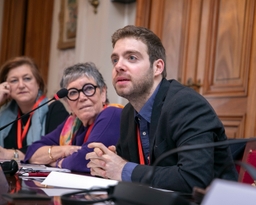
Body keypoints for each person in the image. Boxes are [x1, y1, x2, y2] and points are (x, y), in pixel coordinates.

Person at [86, 25, 238, 193]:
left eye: (132, 58)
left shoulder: (187, 104)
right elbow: (130, 166)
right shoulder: (129, 111)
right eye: (115, 60)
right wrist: (106, 163)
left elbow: (194, 179)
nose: (118, 66)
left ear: (157, 67)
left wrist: (123, 169)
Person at [24, 62, 122, 172]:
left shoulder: (113, 114)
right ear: (68, 103)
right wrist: (65, 150)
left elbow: (84, 159)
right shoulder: (72, 124)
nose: (82, 97)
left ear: (103, 93)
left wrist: (57, 162)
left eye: (88, 88)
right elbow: (32, 152)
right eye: (73, 92)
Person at [0, 56, 69, 161]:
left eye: (27, 78)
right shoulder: (3, 113)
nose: (21, 85)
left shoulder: (55, 109)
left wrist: (11, 154)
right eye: (14, 80)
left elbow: (56, 149)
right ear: (6, 86)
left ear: (38, 83)